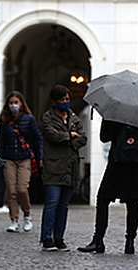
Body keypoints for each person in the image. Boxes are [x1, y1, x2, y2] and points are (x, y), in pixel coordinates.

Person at [78, 120, 138, 255]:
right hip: (135, 164)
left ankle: (98, 239)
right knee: (133, 202)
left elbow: (104, 137)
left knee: (103, 199)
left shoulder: (113, 114)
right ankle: (130, 242)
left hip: (117, 163)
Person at [39, 85, 88, 251]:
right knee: (52, 202)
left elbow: (83, 138)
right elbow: (51, 136)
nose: (65, 103)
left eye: (67, 99)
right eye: (62, 100)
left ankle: (59, 237)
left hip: (70, 167)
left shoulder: (73, 117)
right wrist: (69, 136)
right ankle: (47, 238)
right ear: (54, 101)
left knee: (63, 205)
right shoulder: (47, 118)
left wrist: (67, 139)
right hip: (53, 166)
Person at [0, 90, 43, 233]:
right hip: (9, 159)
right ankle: (14, 220)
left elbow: (37, 138)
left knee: (22, 189)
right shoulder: (5, 121)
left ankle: (27, 215)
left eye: (16, 103)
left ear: (21, 104)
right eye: (11, 103)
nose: (13, 106)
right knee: (11, 191)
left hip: (24, 158)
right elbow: (1, 142)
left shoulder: (29, 119)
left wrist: (39, 156)